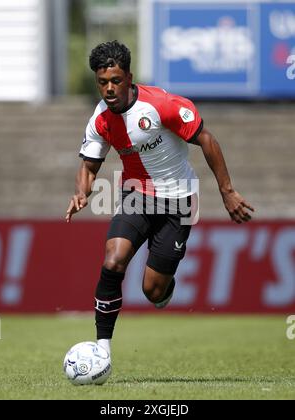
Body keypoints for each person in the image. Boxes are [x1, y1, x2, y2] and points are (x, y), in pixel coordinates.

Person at [65, 41, 254, 362]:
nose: (109, 89)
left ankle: (163, 287)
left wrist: (227, 191)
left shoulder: (161, 105)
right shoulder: (99, 120)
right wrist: (82, 190)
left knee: (153, 291)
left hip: (179, 201)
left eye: (116, 80)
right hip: (136, 196)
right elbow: (89, 165)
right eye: (102, 82)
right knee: (113, 261)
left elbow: (206, 139)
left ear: (129, 77)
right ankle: (102, 350)